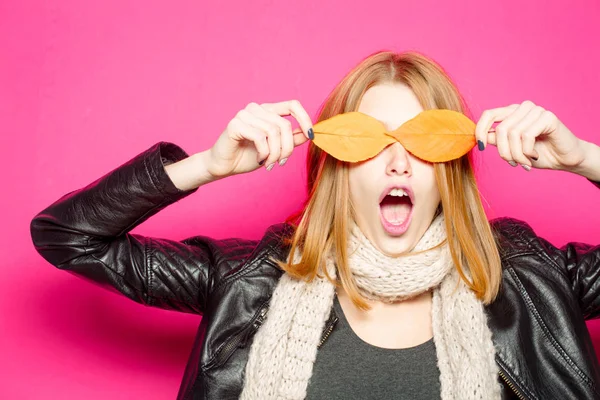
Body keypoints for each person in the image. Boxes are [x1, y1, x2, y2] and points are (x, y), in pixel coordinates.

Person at [30, 50, 600, 400]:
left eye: (422, 142)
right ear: (336, 164)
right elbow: (67, 236)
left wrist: (583, 159)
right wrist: (207, 165)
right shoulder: (252, 280)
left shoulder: (532, 277)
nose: (397, 163)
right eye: (372, 141)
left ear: (450, 166)